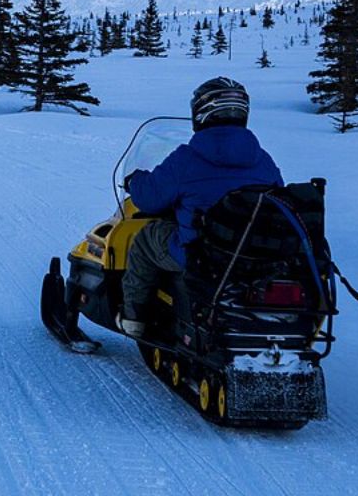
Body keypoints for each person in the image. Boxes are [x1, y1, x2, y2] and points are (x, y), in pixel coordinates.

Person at [116, 77, 284, 338]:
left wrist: (134, 181)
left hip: (200, 254)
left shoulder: (187, 158)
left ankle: (134, 317)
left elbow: (149, 198)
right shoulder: (263, 160)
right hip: (253, 254)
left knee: (145, 240)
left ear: (201, 112)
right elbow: (279, 200)